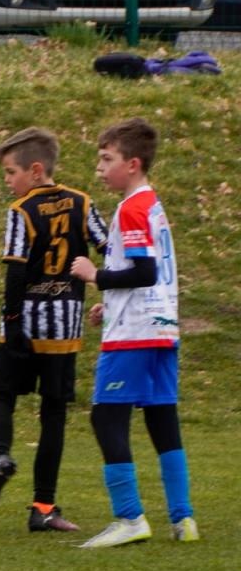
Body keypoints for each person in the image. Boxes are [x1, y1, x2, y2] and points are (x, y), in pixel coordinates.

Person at [69, 118, 199, 548]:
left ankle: (129, 518)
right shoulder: (152, 205)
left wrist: (95, 276)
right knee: (162, 419)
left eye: (107, 159)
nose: (99, 168)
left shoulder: (132, 208)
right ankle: (183, 518)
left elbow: (144, 271)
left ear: (133, 164)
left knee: (106, 416)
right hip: (160, 328)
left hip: (135, 334)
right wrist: (111, 302)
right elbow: (149, 274)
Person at [0, 127, 107, 532]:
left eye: (10, 172)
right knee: (53, 415)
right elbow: (111, 248)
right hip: (63, 330)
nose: (7, 181)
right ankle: (43, 508)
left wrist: (13, 322)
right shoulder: (83, 202)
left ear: (34, 170)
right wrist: (107, 289)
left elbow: (15, 271)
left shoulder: (22, 210)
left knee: (3, 396)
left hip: (25, 323)